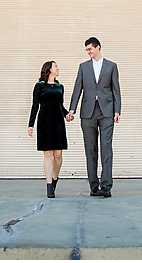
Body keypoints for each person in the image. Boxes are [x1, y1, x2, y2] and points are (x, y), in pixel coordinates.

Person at [66, 37, 121, 198]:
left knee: (106, 148)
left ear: (98, 47)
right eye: (87, 50)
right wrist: (72, 109)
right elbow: (78, 89)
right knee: (90, 151)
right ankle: (94, 185)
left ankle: (106, 186)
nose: (88, 52)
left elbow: (116, 89)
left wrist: (117, 110)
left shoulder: (111, 66)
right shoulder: (83, 67)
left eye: (90, 49)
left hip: (106, 112)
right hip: (87, 113)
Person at [28, 60, 68, 198]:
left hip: (58, 122)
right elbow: (35, 105)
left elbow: (60, 105)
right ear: (49, 69)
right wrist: (31, 124)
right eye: (56, 66)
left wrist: (67, 114)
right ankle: (49, 185)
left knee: (58, 155)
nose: (58, 68)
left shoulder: (60, 86)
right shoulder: (39, 86)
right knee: (47, 154)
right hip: (44, 122)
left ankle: (55, 178)